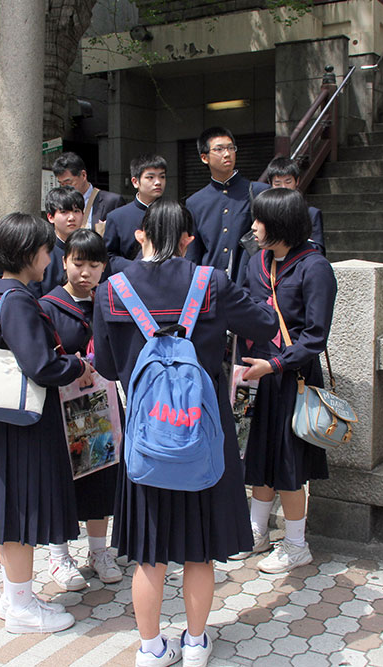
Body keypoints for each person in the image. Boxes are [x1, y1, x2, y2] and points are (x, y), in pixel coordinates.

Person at [93, 198, 276, 666]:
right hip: (203, 435)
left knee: (148, 555)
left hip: (147, 437)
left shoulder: (113, 288)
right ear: (187, 239)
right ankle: (195, 644)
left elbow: (109, 365)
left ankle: (151, 649)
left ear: (141, 235)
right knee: (199, 551)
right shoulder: (210, 282)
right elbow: (264, 322)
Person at [0, 213, 95, 634]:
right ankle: (21, 607)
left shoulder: (1, 293)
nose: (50, 257)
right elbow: (40, 365)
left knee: (11, 512)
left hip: (10, 424)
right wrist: (76, 364)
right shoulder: (20, 299)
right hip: (25, 425)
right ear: (28, 253)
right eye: (46, 250)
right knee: (18, 515)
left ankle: (15, 596)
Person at [235, 187, 336, 574]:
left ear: (280, 224)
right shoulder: (256, 262)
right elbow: (244, 306)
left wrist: (274, 365)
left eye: (260, 220)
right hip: (255, 374)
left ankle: (296, 545)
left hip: (291, 377)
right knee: (259, 457)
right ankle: (256, 532)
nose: (254, 227)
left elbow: (315, 336)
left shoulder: (315, 268)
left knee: (290, 466)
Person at [39, 229, 123, 590]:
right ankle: (59, 556)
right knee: (62, 480)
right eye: (78, 263)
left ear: (104, 266)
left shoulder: (112, 302)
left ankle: (98, 551)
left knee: (101, 477)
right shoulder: (47, 307)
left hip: (101, 405)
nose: (85, 272)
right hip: (61, 409)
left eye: (93, 264)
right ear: (64, 263)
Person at [185, 126, 269, 283]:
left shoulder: (257, 192)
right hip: (211, 287)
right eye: (219, 149)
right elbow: (193, 253)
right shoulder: (195, 202)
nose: (227, 154)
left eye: (231, 148)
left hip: (250, 284)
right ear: (204, 158)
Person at [104, 154, 167, 262]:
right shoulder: (117, 217)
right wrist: (136, 268)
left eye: (162, 176)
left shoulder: (175, 212)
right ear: (135, 182)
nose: (158, 182)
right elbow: (108, 256)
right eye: (150, 177)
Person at [30, 186, 85, 297]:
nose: (71, 218)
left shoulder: (90, 248)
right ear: (50, 217)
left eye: (76, 211)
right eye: (64, 212)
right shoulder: (41, 252)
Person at [264, 156, 325, 254]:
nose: (283, 187)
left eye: (288, 182)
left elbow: (318, 250)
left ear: (297, 181)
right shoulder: (265, 213)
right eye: (277, 183)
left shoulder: (311, 214)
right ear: (270, 184)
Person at [52, 151, 126, 233]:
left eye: (69, 183)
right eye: (62, 184)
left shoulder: (112, 202)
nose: (66, 188)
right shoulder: (59, 204)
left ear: (83, 175)